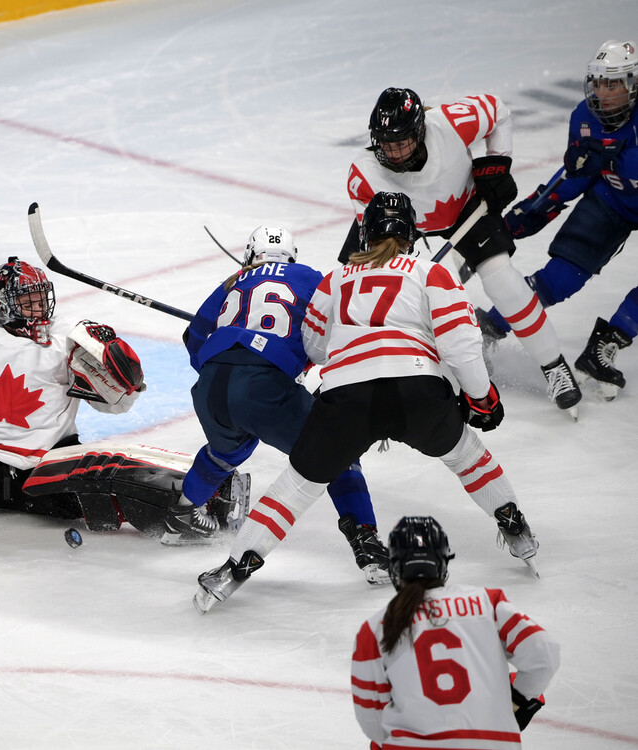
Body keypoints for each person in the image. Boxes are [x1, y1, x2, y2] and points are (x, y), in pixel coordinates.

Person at [194, 192, 540, 614]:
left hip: (347, 397)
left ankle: (233, 570)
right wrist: (482, 398)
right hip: (417, 392)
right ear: (412, 234)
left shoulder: (336, 279)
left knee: (297, 487)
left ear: (364, 232)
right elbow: (461, 344)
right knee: (466, 455)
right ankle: (515, 527)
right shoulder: (430, 272)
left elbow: (316, 347)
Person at [0, 257, 246, 543]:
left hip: (48, 463)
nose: (41, 309)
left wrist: (123, 374)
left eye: (42, 299)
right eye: (29, 301)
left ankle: (210, 495)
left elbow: (117, 405)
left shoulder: (69, 339)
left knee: (114, 474)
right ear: (3, 304)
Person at [339, 87, 582, 417]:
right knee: (363, 289)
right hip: (400, 225)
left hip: (468, 207)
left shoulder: (450, 124)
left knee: (502, 282)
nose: (393, 153)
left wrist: (498, 164)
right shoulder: (364, 175)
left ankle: (553, 365)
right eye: (385, 143)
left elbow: (498, 111)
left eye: (401, 142)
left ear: (420, 131)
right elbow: (375, 241)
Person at [179, 226, 389, 584]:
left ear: (250, 255)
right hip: (261, 384)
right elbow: (337, 331)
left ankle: (183, 515)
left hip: (210, 388)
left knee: (225, 451)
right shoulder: (310, 278)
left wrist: (227, 361)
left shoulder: (233, 281)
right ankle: (366, 543)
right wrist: (281, 361)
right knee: (336, 450)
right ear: (292, 255)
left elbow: (194, 337)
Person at [478, 40, 637, 402]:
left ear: (633, 84)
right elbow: (575, 176)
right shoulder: (584, 117)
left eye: (613, 84)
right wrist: (526, 215)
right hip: (612, 200)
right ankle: (488, 326)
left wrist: (618, 158)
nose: (603, 92)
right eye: (599, 83)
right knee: (560, 279)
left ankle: (606, 344)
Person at [351, 516, 560, 748]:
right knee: (512, 686)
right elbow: (544, 655)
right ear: (444, 561)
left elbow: (372, 723)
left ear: (395, 567)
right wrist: (513, 702)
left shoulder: (374, 628)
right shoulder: (487, 603)